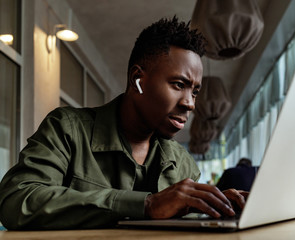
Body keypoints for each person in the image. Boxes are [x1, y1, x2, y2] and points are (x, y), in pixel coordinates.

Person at [0, 16, 247, 230]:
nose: (190, 103)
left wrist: (212, 207)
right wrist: (147, 204)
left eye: (194, 91)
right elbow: (15, 201)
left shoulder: (183, 163)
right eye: (179, 85)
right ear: (137, 79)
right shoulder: (67, 129)